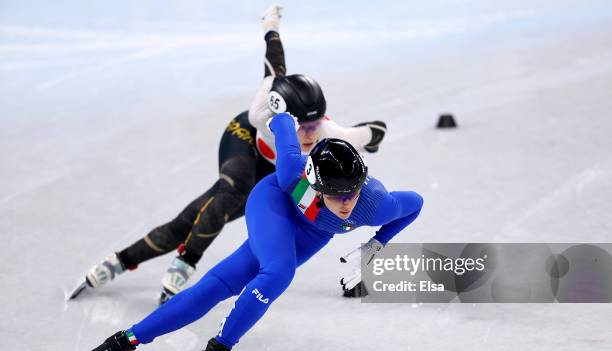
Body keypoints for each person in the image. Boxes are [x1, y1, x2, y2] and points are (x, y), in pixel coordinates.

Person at [74, 112, 423, 351]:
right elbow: (283, 124)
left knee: (219, 284)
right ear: (315, 186)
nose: (347, 203)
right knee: (278, 272)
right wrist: (281, 116)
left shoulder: (375, 205)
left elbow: (416, 204)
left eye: (352, 193)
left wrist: (376, 244)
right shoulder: (291, 174)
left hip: (313, 233)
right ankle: (220, 347)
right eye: (335, 195)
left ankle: (125, 340)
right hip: (273, 204)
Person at [69, 5, 388, 304]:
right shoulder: (261, 114)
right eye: (300, 125)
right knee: (230, 191)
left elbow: (372, 131)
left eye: (315, 124)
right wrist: (271, 28)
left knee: (195, 217)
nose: (308, 133)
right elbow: (275, 66)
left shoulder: (331, 135)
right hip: (246, 143)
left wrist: (372, 137)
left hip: (273, 169)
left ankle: (119, 262)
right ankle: (186, 261)